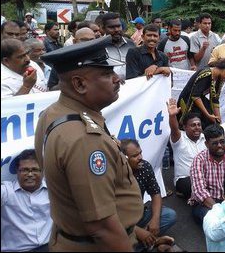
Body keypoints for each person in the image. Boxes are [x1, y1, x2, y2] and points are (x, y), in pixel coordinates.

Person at [34, 36, 144, 251]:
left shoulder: (53, 113)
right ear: (79, 84)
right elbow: (102, 227)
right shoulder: (85, 139)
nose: (117, 79)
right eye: (106, 74)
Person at [120, 139, 177, 248]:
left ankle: (144, 243)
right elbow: (112, 215)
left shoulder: (144, 166)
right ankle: (152, 242)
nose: (140, 157)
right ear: (123, 159)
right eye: (135, 156)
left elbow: (155, 193)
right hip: (121, 222)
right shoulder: (114, 177)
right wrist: (137, 231)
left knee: (170, 215)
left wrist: (155, 219)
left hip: (139, 215)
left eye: (140, 152)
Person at [1, 149, 52, 252]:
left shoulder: (53, 190)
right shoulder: (6, 191)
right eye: (24, 170)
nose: (29, 174)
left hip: (50, 247)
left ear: (42, 171)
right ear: (17, 171)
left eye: (34, 170)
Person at [177, 58, 225, 128]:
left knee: (213, 122)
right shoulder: (206, 74)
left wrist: (218, 119)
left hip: (199, 99)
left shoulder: (219, 79)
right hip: (188, 101)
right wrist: (207, 115)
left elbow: (215, 100)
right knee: (199, 123)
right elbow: (195, 96)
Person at [167, 98, 207, 199]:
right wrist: (172, 116)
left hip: (205, 177)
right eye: (193, 125)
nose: (197, 127)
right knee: (190, 186)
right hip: (185, 179)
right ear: (185, 127)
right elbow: (174, 128)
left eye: (198, 125)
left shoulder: (206, 139)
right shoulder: (179, 139)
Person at [101, 12, 136, 80]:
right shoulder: (98, 47)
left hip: (132, 86)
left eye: (118, 26)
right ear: (103, 28)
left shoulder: (130, 44)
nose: (116, 30)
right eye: (111, 27)